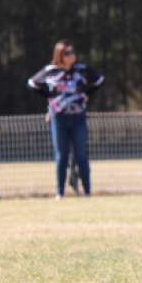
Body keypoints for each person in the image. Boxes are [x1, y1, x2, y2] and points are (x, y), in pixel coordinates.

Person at [28, 40, 104, 198]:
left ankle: (87, 191)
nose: (71, 56)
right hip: (59, 117)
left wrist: (87, 94)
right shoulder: (51, 71)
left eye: (72, 52)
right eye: (67, 53)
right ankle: (60, 193)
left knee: (82, 154)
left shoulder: (81, 70)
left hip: (78, 117)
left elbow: (99, 80)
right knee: (61, 155)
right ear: (59, 55)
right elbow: (32, 83)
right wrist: (50, 98)